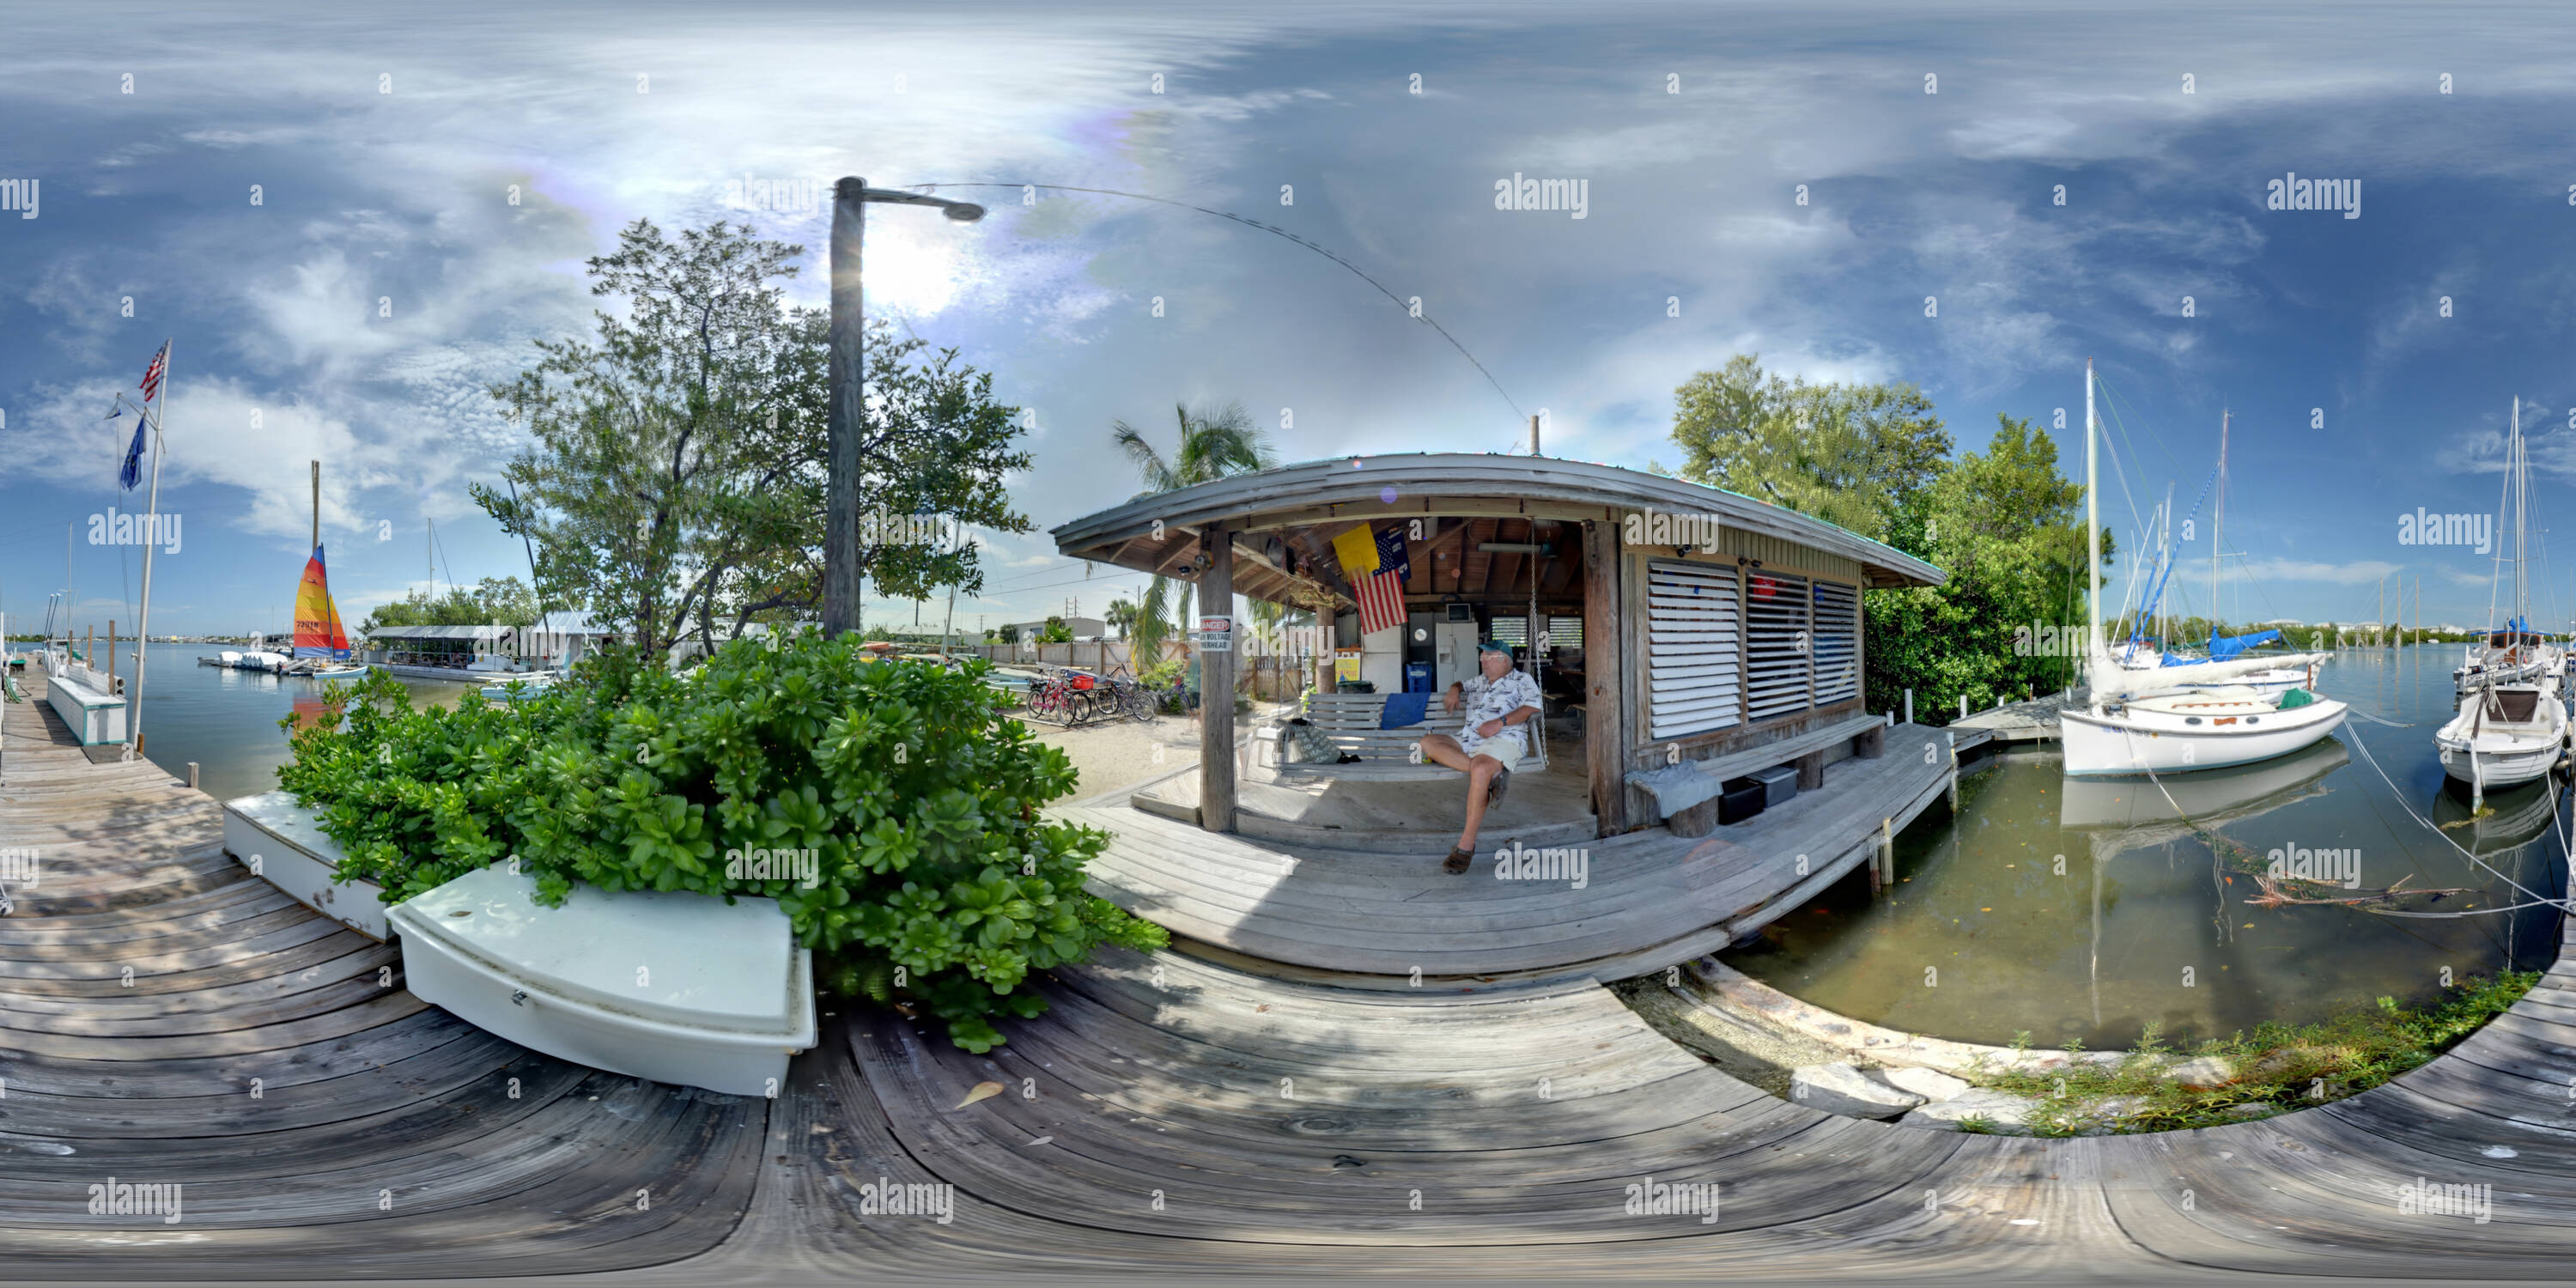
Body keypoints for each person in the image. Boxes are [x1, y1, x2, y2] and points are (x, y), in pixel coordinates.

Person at [1416, 640, 1542, 874]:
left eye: (1488, 656)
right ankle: (1493, 776)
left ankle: (1465, 846)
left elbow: (1534, 707)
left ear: (1504, 660)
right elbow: (1460, 684)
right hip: (1468, 739)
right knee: (1427, 742)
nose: (1482, 660)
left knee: (1481, 769)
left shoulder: (1522, 680)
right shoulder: (1480, 681)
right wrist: (1454, 690)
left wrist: (1500, 722)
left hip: (1505, 739)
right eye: (1482, 657)